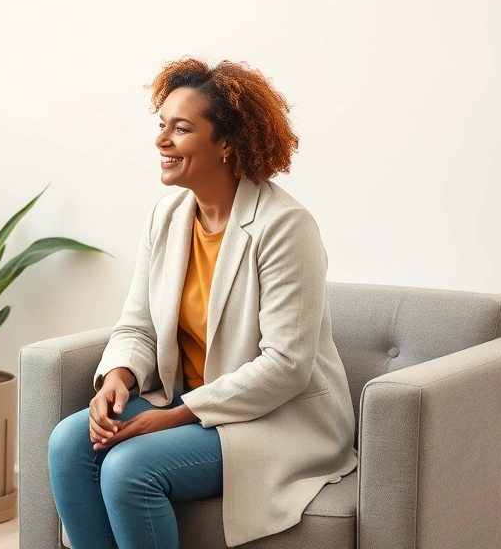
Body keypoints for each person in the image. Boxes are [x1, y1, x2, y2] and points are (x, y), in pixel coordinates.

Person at [47, 58, 357, 549]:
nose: (161, 140)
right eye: (162, 125)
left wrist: (170, 417)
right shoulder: (168, 216)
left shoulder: (285, 227)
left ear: (227, 143)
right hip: (195, 404)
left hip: (275, 420)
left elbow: (285, 366)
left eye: (182, 128)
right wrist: (117, 379)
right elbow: (138, 325)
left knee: (128, 468)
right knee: (68, 444)